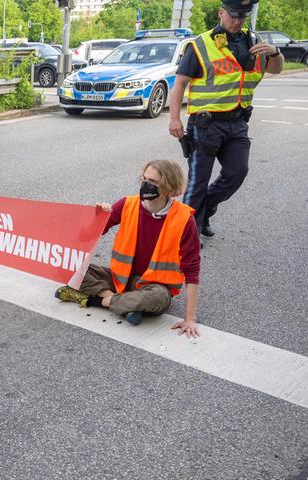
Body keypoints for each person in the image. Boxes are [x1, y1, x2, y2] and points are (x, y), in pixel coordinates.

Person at [168, 0, 283, 237]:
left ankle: (205, 210)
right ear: (221, 13)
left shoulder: (253, 41)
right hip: (206, 123)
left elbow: (276, 69)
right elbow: (180, 82)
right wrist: (174, 119)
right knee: (197, 183)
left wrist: (276, 52)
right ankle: (186, 234)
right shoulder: (201, 44)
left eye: (242, 16)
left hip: (238, 122)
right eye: (232, 15)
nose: (237, 21)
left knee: (236, 173)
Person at [54, 160, 202, 337]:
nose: (146, 185)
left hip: (153, 286)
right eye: (144, 179)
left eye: (153, 182)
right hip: (120, 279)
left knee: (159, 298)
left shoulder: (184, 219)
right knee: (68, 265)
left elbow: (192, 269)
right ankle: (126, 306)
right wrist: (98, 217)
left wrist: (190, 318)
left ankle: (97, 300)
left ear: (169, 188)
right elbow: (85, 237)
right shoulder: (127, 205)